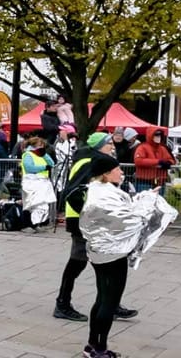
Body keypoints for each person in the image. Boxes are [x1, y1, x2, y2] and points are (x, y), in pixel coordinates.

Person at [56, 133, 133, 322]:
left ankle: (111, 303)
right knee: (78, 261)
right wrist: (87, 214)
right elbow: (71, 192)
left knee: (106, 262)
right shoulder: (86, 162)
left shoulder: (97, 161)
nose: (112, 146)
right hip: (82, 220)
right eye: (108, 143)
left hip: (96, 220)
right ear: (98, 146)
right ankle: (63, 303)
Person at [76, 152, 142, 358]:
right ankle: (100, 348)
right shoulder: (106, 194)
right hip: (112, 253)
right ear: (105, 174)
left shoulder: (97, 190)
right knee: (110, 301)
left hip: (98, 251)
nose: (121, 172)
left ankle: (92, 344)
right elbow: (129, 220)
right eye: (118, 169)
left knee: (102, 297)